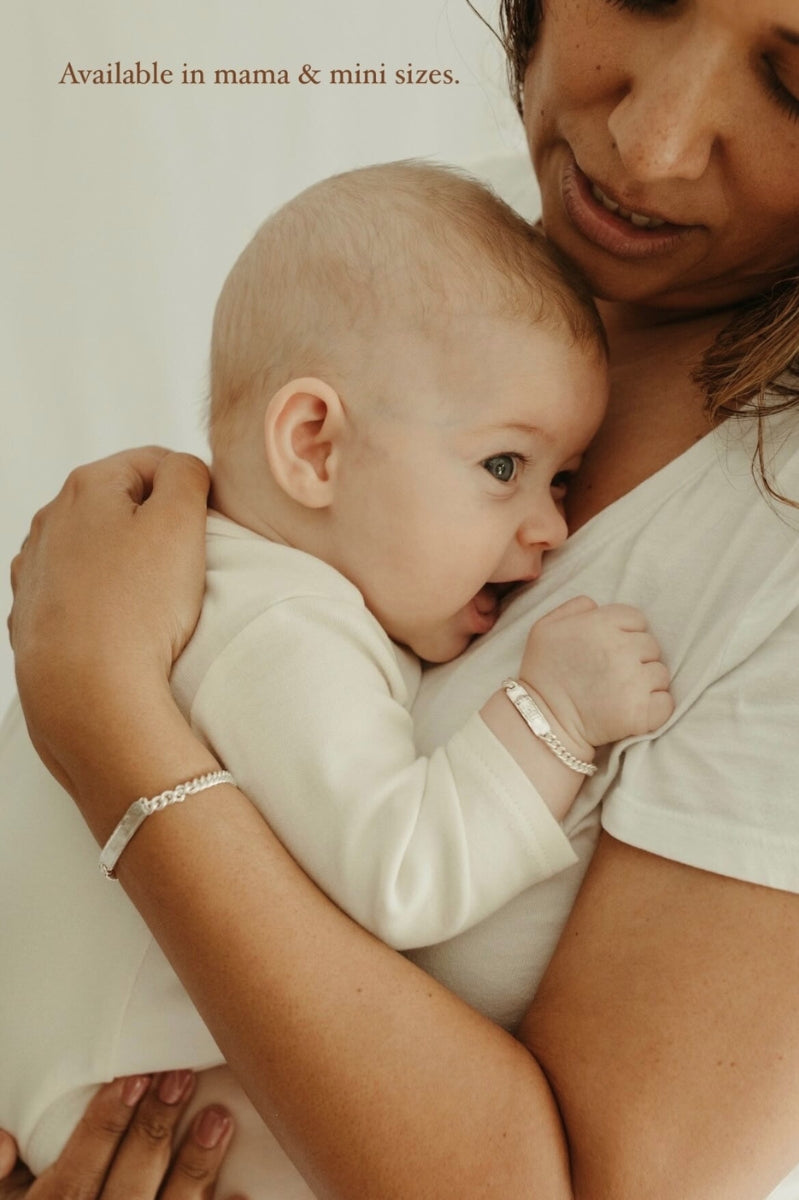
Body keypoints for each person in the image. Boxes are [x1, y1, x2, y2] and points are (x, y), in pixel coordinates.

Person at [5, 0, 799, 1196]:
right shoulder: (449, 262)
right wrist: (551, 722)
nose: (651, 146)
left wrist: (100, 709)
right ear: (313, 441)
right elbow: (390, 865)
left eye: (794, 82)